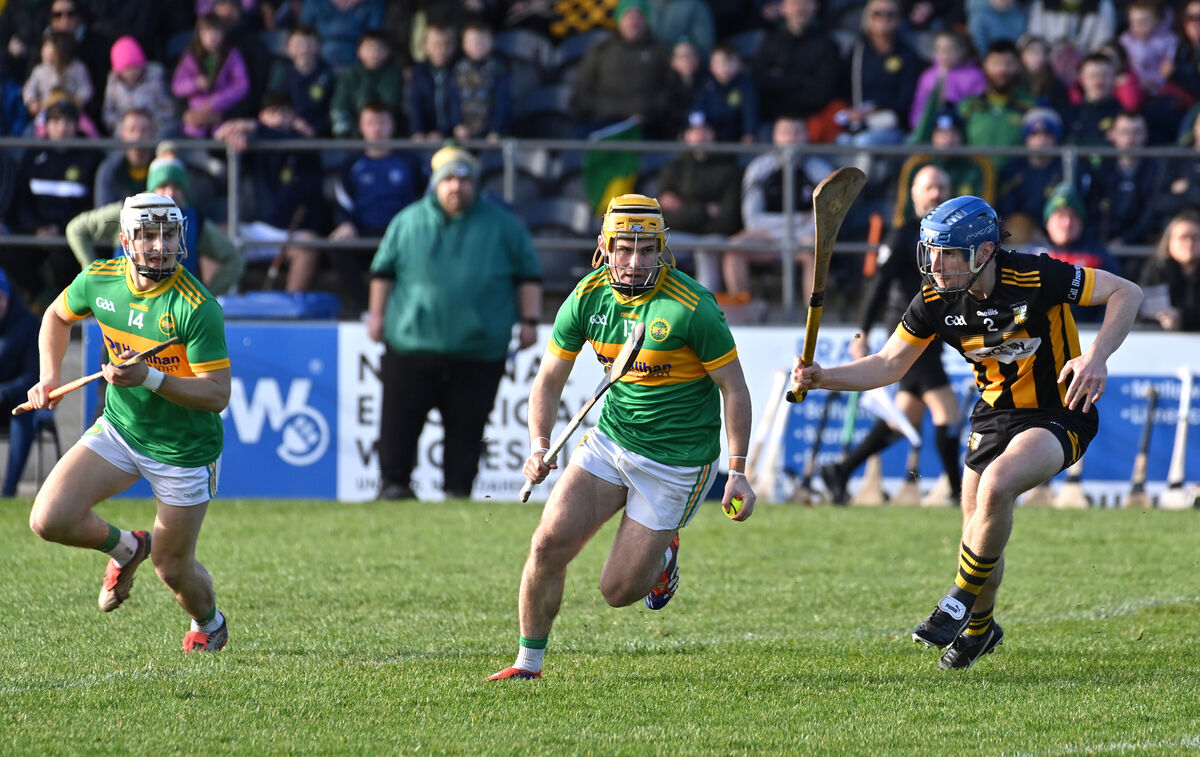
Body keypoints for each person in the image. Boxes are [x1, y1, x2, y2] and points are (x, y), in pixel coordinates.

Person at [791, 195, 1143, 670]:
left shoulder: (1036, 275)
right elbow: (888, 365)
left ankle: (957, 600)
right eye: (931, 252)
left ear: (983, 253)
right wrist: (822, 376)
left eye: (948, 254)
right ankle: (980, 629)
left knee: (998, 485)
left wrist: (1096, 356)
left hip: (1061, 408)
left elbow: (1128, 293)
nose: (935, 266)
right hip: (993, 415)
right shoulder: (934, 299)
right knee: (977, 533)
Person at [488, 194, 756, 681]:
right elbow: (548, 380)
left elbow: (735, 389)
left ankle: (663, 552)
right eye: (624, 249)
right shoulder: (589, 296)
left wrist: (737, 471)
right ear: (603, 247)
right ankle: (528, 665)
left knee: (617, 592)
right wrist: (538, 446)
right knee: (547, 545)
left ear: (662, 249)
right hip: (611, 443)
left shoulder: (692, 307)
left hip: (677, 462)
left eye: (646, 249)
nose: (635, 262)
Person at [24, 191, 233, 652]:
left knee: (173, 569)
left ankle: (210, 624)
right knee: (49, 519)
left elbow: (218, 395)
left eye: (169, 234)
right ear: (124, 240)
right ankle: (126, 548)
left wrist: (151, 378)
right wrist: (49, 376)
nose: (160, 245)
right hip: (121, 429)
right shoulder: (100, 279)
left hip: (183, 450)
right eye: (148, 234)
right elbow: (56, 318)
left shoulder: (197, 307)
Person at [367, 146, 543, 501]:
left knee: (467, 430)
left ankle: (458, 492)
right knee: (398, 425)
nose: (455, 187)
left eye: (463, 179)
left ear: (475, 184)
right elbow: (382, 272)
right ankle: (393, 487)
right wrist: (376, 315)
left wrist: (529, 320)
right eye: (448, 179)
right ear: (435, 183)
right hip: (410, 345)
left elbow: (529, 274)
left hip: (478, 349)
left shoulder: (503, 225)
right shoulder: (407, 220)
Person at [821, 165, 962, 507]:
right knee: (949, 414)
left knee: (903, 422)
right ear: (913, 194)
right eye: (928, 187)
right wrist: (862, 332)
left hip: (930, 334)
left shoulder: (952, 237)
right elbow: (878, 286)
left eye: (941, 186)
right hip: (911, 334)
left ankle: (841, 470)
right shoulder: (904, 236)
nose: (935, 193)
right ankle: (959, 493)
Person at [66, 155, 244, 296]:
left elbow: (233, 260)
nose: (170, 193)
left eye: (177, 187)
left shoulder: (194, 221)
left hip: (172, 315)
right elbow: (76, 229)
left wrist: (204, 297)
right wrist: (92, 273)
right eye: (163, 186)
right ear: (151, 189)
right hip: (125, 306)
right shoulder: (128, 211)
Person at [0, 267, 42, 497]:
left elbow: (33, 376)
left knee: (24, 410)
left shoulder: (29, 325)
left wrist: (4, 392)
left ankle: (9, 491)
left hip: (15, 401)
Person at [1139, 210, 1200, 332]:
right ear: (1169, 241)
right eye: (1183, 237)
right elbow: (1143, 310)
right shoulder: (1157, 268)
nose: (1189, 243)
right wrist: (1165, 318)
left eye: (1195, 237)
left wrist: (1183, 318)